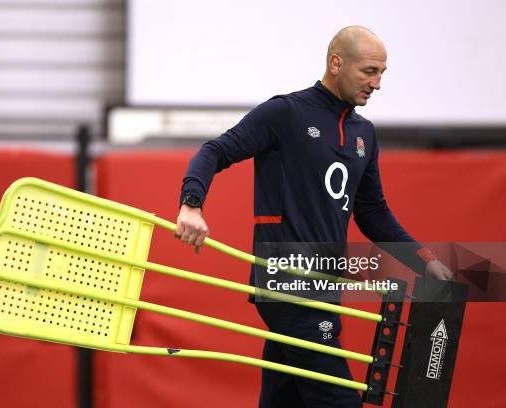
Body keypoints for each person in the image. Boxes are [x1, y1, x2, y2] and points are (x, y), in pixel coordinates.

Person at [174, 25, 453, 407]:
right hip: (285, 281)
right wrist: (191, 203)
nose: (377, 83)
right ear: (336, 63)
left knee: (283, 398)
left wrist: (425, 261)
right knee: (338, 399)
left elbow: (372, 213)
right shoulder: (285, 112)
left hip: (325, 285)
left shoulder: (363, 133)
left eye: (382, 74)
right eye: (369, 71)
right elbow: (214, 151)